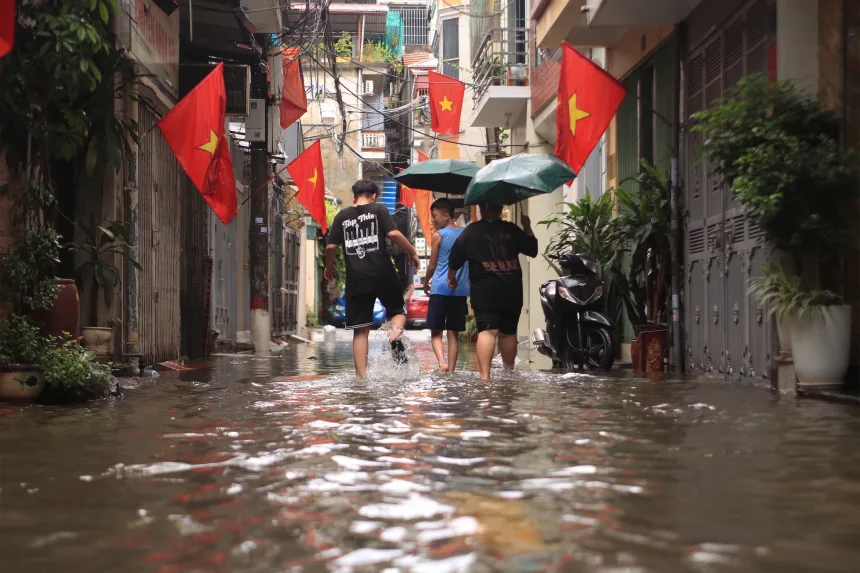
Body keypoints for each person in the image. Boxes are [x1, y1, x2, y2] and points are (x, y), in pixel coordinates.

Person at [325, 180, 421, 379]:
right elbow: (393, 234)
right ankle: (393, 333)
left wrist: (329, 267)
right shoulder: (379, 209)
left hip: (357, 278)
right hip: (383, 272)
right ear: (374, 196)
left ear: (354, 196)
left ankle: (361, 378)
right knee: (397, 311)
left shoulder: (342, 216)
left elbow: (331, 247)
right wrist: (412, 252)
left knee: (360, 331)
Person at [448, 204, 537, 380]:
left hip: (484, 290)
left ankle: (484, 377)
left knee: (487, 331)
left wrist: (452, 277)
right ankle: (509, 374)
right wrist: (527, 226)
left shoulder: (471, 231)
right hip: (511, 288)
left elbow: (455, 258)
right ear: (500, 208)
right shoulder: (511, 229)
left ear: (481, 208)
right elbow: (532, 250)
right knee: (508, 332)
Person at [423, 198, 469, 372]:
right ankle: (451, 369)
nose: (432, 220)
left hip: (440, 289)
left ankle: (442, 364)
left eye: (434, 216)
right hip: (460, 290)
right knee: (453, 332)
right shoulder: (466, 234)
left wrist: (426, 283)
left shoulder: (438, 235)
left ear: (446, 215)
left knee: (436, 331)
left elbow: (432, 265)